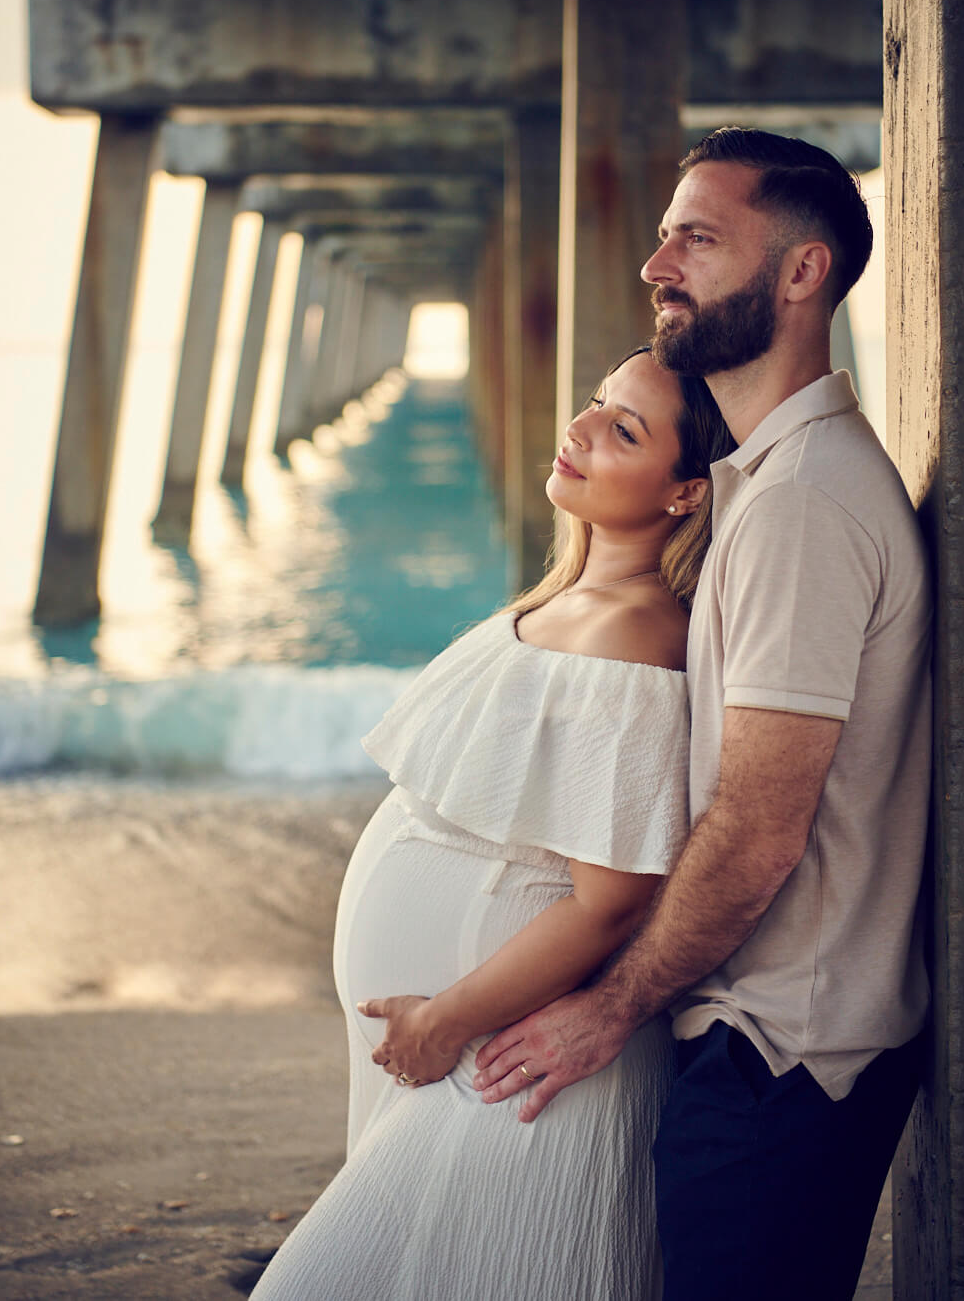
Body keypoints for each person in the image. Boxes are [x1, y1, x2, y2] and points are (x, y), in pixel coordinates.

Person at [474, 128, 933, 1301]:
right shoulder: (771, 485)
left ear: (799, 273)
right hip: (766, 1043)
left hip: (778, 1053)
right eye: (666, 233)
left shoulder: (801, 508)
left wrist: (605, 1012)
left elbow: (760, 823)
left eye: (696, 237)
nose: (655, 264)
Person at [251, 346, 734, 1301]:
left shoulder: (635, 632)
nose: (583, 427)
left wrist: (444, 1019)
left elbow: (611, 904)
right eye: (598, 403)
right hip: (466, 1051)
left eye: (624, 430)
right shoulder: (571, 598)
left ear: (686, 494)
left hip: (505, 1064)